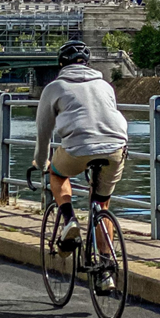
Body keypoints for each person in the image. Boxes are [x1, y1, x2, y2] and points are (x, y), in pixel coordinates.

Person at [33, 40, 128, 291]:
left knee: (57, 174)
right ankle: (106, 272)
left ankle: (69, 221)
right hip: (115, 147)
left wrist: (42, 162)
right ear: (88, 63)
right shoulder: (105, 86)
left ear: (60, 64)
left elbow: (44, 132)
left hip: (77, 148)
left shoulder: (54, 87)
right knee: (102, 203)